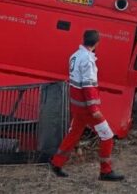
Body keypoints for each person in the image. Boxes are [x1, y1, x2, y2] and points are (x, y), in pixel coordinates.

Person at [50, 30, 124, 181]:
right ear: (97, 43)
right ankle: (105, 171)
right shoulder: (88, 60)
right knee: (107, 135)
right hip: (87, 108)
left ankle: (56, 163)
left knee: (74, 134)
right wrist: (94, 109)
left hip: (78, 106)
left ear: (84, 39)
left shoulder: (75, 56)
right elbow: (88, 86)